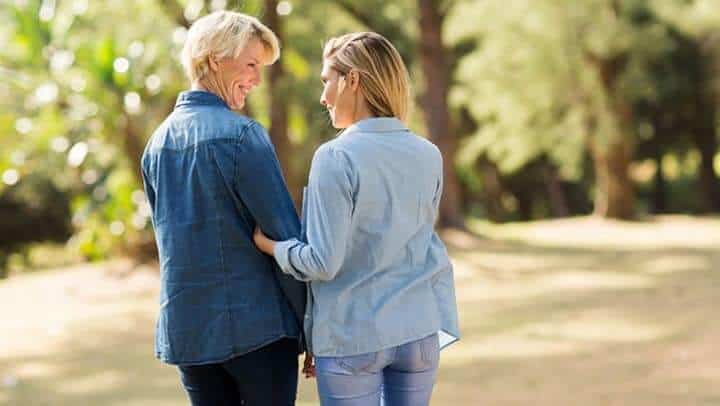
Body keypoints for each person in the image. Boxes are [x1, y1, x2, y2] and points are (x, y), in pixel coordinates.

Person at [254, 32, 460, 406]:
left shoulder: (335, 158)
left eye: (326, 81)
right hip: (419, 333)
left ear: (353, 80)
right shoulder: (428, 154)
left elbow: (322, 262)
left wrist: (272, 247)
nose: (322, 97)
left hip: (353, 338)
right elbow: (420, 243)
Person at [141, 11, 307, 406]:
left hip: (190, 335)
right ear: (215, 58)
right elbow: (284, 235)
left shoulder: (156, 146)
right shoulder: (243, 136)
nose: (256, 78)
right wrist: (311, 326)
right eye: (250, 64)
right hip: (259, 332)